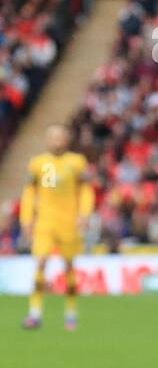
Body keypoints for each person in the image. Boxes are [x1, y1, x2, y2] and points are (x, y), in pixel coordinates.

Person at [19, 125, 93, 331]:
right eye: (52, 137)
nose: (56, 141)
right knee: (41, 262)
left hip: (69, 223)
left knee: (69, 266)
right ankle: (34, 314)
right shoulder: (39, 163)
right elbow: (29, 193)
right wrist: (26, 219)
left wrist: (85, 214)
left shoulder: (77, 162)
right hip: (45, 222)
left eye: (60, 137)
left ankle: (71, 313)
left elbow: (86, 190)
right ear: (47, 139)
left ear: (67, 139)